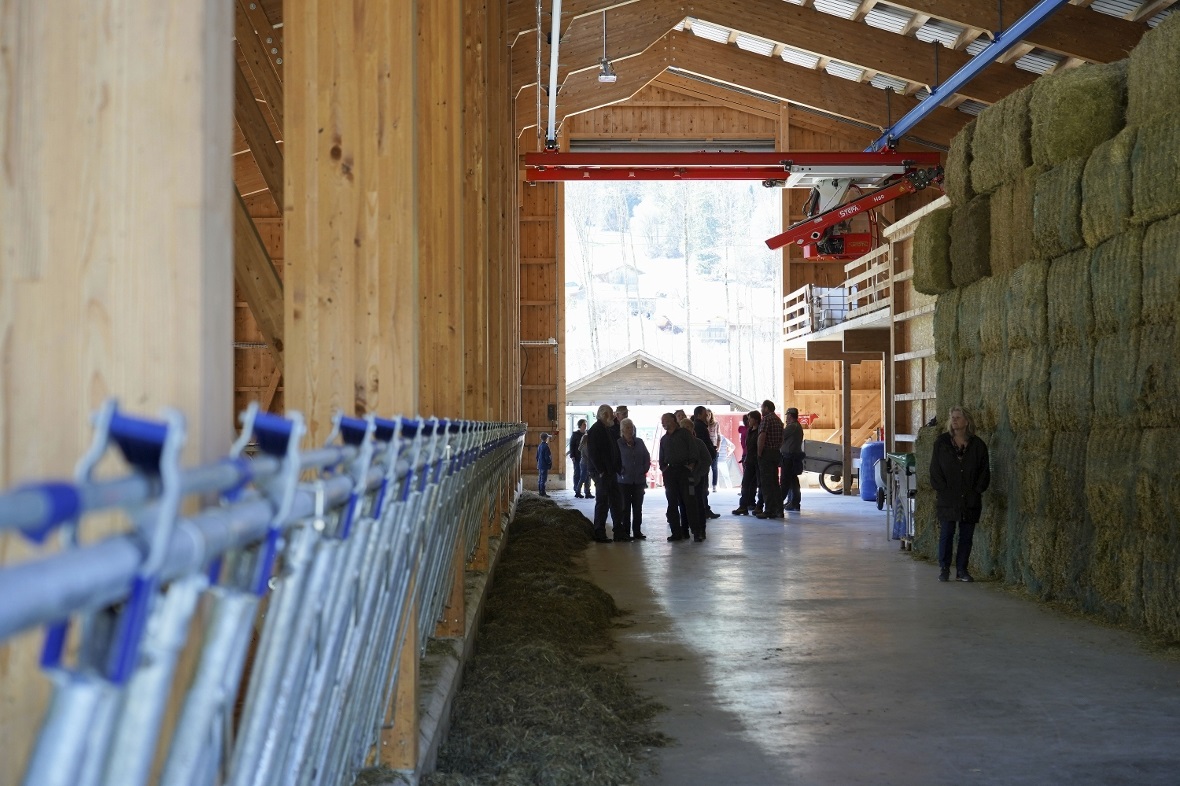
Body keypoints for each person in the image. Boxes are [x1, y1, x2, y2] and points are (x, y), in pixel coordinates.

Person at [930, 406, 991, 582]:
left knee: (966, 535)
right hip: (948, 496)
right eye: (953, 417)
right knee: (947, 533)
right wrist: (941, 488)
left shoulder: (978, 445)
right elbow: (935, 469)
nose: (954, 420)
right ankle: (944, 568)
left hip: (970, 496)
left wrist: (978, 489)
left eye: (958, 417)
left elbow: (984, 470)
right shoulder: (942, 443)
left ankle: (962, 569)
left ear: (967, 421)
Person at [586, 404, 625, 542]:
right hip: (603, 473)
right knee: (602, 502)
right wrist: (601, 471)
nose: (613, 416)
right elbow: (593, 453)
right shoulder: (596, 430)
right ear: (603, 414)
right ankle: (599, 532)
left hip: (611, 472)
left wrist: (618, 467)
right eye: (610, 413)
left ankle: (619, 532)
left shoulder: (607, 429)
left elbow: (614, 449)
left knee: (616, 501)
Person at [658, 412, 697, 542]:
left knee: (689, 502)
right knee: (672, 503)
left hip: (684, 471)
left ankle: (696, 532)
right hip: (670, 472)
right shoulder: (663, 439)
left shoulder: (685, 434)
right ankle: (676, 532)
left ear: (674, 420)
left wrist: (691, 466)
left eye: (666, 420)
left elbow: (693, 450)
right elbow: (661, 458)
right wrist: (664, 469)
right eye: (662, 421)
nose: (663, 423)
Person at [617, 418, 651, 541]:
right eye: (627, 428)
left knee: (638, 508)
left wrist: (644, 469)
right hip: (623, 481)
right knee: (625, 508)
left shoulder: (640, 442)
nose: (630, 430)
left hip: (639, 480)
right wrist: (620, 470)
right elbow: (615, 460)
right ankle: (625, 532)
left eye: (631, 428)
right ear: (622, 430)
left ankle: (637, 531)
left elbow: (647, 457)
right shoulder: (618, 444)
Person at [683, 417, 712, 542]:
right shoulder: (680, 445)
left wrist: (699, 473)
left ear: (692, 429)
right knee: (684, 505)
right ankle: (684, 530)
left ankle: (701, 530)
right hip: (683, 480)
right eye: (684, 428)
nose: (686, 430)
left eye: (688, 427)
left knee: (698, 504)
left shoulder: (699, 443)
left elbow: (707, 460)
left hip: (697, 480)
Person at [755, 400, 785, 519]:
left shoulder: (766, 419)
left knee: (766, 483)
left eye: (762, 408)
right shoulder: (779, 421)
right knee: (775, 483)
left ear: (767, 408)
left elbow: (762, 436)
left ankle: (769, 510)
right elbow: (782, 439)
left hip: (766, 454)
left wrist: (759, 453)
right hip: (775, 453)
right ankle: (779, 510)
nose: (761, 410)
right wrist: (776, 448)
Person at [692, 406, 720, 519]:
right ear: (699, 415)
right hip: (701, 462)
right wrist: (712, 453)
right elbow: (704, 444)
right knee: (702, 488)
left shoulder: (700, 426)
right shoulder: (700, 427)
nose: (707, 416)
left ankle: (704, 509)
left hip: (702, 461)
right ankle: (703, 510)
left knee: (703, 487)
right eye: (705, 414)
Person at [733, 409, 761, 515]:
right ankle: (743, 506)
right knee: (745, 484)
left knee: (758, 484)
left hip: (757, 461)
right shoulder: (749, 430)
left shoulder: (760, 431)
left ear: (756, 419)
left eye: (750, 419)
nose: (748, 420)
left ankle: (757, 505)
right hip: (749, 460)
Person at [780, 408, 805, 512]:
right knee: (793, 481)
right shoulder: (796, 426)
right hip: (792, 457)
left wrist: (782, 426)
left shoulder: (792, 427)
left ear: (790, 415)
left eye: (787, 416)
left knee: (786, 481)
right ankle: (793, 502)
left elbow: (781, 435)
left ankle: (779, 501)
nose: (786, 417)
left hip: (790, 457)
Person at [569, 419, 592, 498]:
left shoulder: (587, 434)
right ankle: (577, 489)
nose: (585, 426)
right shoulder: (575, 435)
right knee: (578, 473)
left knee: (587, 475)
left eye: (585, 424)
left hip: (585, 457)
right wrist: (572, 456)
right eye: (583, 424)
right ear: (580, 426)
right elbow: (571, 445)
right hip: (578, 457)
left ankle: (587, 491)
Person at [706, 409, 720, 492]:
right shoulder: (703, 424)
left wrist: (718, 447)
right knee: (705, 468)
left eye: (709, 414)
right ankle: (706, 485)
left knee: (714, 467)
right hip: (705, 447)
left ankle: (714, 485)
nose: (707, 416)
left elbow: (718, 435)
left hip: (714, 446)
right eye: (706, 414)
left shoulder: (715, 424)